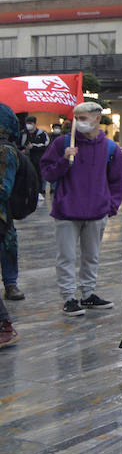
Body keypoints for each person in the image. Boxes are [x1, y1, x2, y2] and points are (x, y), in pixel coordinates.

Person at [40, 101, 122, 317]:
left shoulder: (111, 148)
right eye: (77, 118)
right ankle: (69, 297)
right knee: (65, 256)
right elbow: (47, 174)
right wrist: (63, 159)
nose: (79, 122)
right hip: (67, 212)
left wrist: (110, 206)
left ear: (97, 118)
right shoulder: (61, 143)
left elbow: (116, 181)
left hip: (97, 212)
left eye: (84, 118)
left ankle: (88, 294)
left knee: (91, 256)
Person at [0, 104, 23, 336]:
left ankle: (10, 283)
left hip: (2, 216)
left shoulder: (5, 152)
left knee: (7, 249)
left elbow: (3, 189)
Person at [18, 116, 48, 202]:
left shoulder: (42, 134)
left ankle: (39, 192)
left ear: (34, 124)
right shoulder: (23, 133)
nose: (28, 125)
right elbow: (18, 143)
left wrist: (33, 146)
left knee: (37, 175)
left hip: (37, 158)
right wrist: (22, 149)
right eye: (27, 123)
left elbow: (46, 145)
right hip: (25, 158)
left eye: (30, 123)